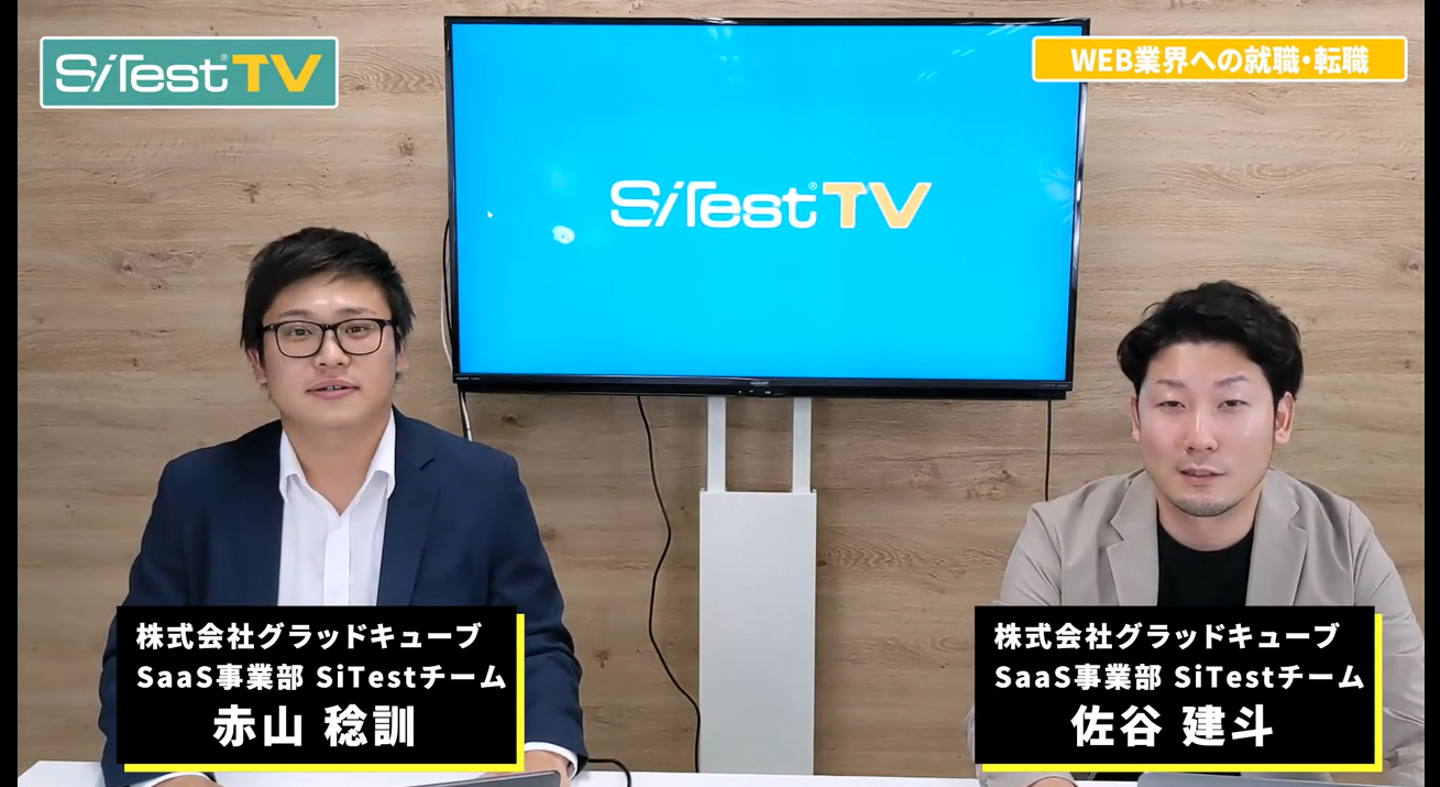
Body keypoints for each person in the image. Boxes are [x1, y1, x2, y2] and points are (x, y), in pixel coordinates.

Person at [97, 227, 587, 787]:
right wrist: (173, 776)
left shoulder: (481, 484)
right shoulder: (198, 489)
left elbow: (533, 646)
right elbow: (143, 664)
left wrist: (537, 757)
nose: (330, 356)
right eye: (298, 332)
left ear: (400, 351)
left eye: (357, 329)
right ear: (258, 361)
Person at [966, 281, 1424, 787]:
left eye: (1231, 403)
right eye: (1171, 404)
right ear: (1136, 417)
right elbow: (1002, 720)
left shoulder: (1342, 539)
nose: (1200, 438)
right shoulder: (1060, 533)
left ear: (1281, 418)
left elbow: (1418, 731)